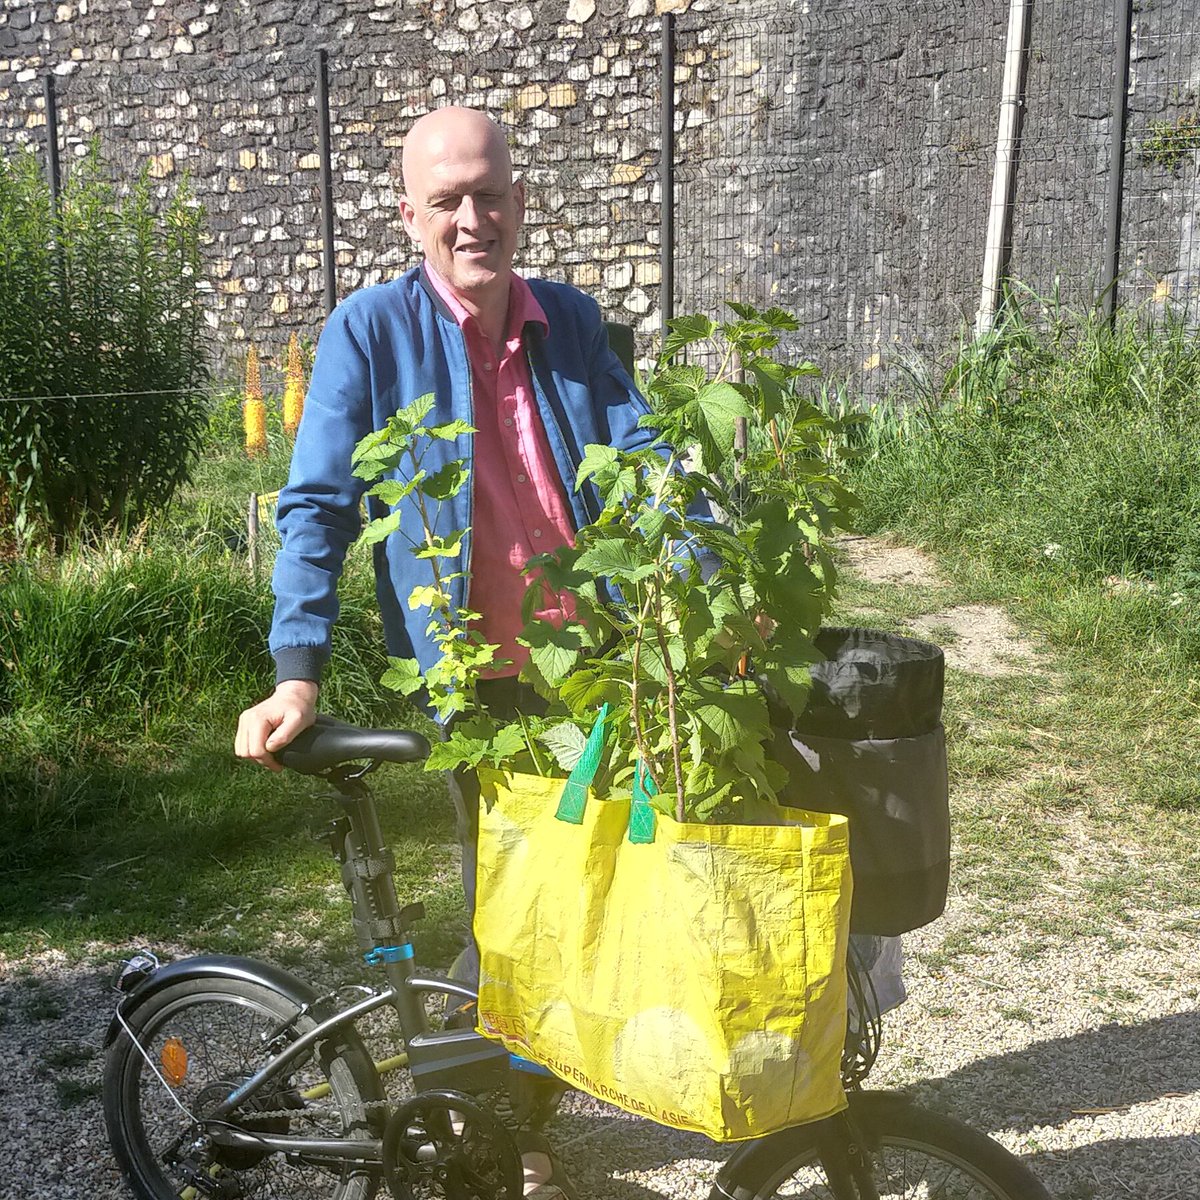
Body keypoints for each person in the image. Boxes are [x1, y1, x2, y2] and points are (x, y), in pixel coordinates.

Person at [236, 105, 660, 1199]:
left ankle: (504, 1100)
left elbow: (651, 467)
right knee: (514, 904)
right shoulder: (370, 332)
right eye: (447, 200)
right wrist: (298, 671)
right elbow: (319, 504)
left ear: (519, 196)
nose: (474, 218)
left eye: (490, 192)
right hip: (480, 678)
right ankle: (507, 1134)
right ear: (409, 215)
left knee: (594, 889)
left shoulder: (570, 318)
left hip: (596, 666)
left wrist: (720, 588)